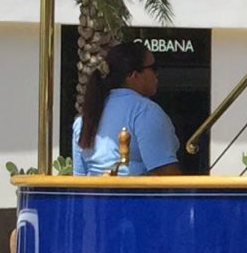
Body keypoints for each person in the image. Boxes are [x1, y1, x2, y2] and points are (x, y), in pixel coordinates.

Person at [71, 39, 183, 175]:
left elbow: (79, 177)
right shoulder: (145, 112)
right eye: (154, 68)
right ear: (133, 75)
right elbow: (167, 175)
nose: (157, 74)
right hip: (134, 195)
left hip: (94, 195)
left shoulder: (85, 118)